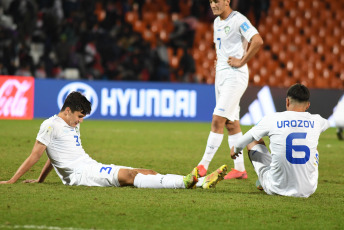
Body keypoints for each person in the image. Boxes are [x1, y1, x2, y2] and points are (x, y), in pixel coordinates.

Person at [0, 91, 227, 189]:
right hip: (82, 175)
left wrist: (40, 181)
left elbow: (54, 157)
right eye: (78, 117)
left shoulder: (70, 125)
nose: (79, 122)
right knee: (130, 177)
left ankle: (198, 181)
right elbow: (35, 156)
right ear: (67, 111)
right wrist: (12, 181)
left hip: (90, 166)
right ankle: (185, 182)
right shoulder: (50, 125)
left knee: (145, 171)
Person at [196, 0, 263, 180]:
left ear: (227, 1)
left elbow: (257, 40)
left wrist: (241, 61)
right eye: (210, 1)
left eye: (216, 1)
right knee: (231, 123)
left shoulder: (238, 20)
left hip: (235, 76)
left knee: (218, 119)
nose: (212, 5)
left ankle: (203, 165)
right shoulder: (216, 22)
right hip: (222, 76)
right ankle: (240, 169)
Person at [230, 84, 330, 198]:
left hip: (276, 187)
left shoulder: (272, 118)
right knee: (314, 149)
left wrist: (236, 148)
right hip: (308, 189)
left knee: (253, 141)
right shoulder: (318, 120)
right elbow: (327, 123)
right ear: (307, 105)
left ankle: (265, 180)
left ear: (287, 101)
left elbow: (247, 138)